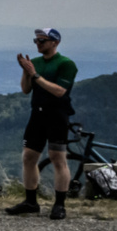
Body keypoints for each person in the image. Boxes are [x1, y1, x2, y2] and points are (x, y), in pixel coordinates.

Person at [7, 27, 78, 220]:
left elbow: (60, 91)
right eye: (36, 41)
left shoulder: (66, 64)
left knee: (57, 158)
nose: (38, 44)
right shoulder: (35, 63)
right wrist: (26, 72)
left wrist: (35, 74)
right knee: (28, 157)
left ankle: (59, 205)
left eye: (42, 41)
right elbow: (25, 90)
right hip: (37, 114)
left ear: (55, 43)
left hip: (57, 115)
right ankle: (31, 202)